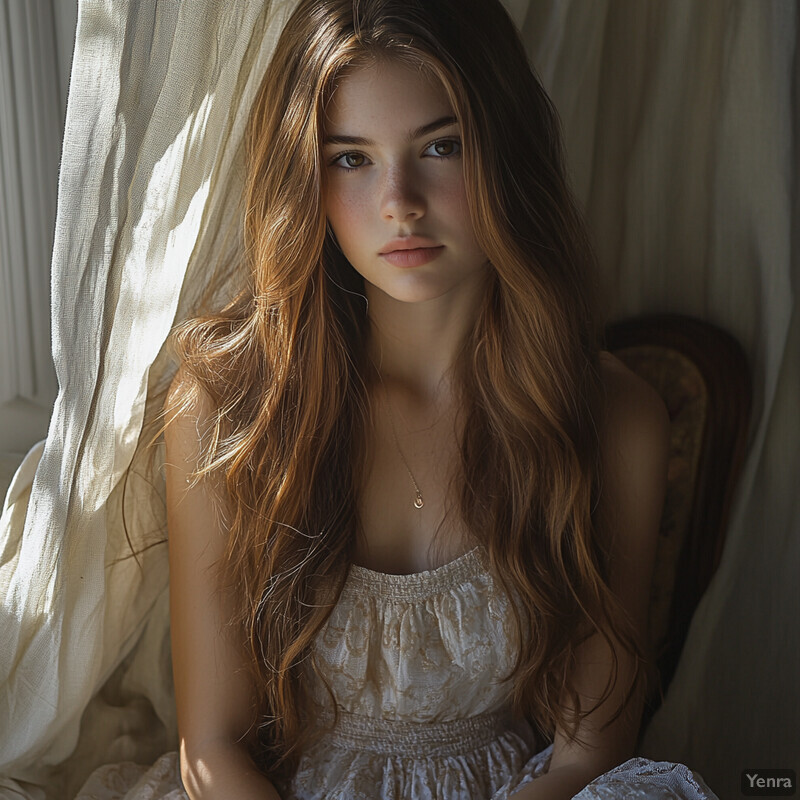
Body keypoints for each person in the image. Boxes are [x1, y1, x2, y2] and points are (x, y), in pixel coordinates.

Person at [74, 0, 720, 798]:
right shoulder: (229, 413)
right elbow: (211, 748)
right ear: (307, 172)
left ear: (506, 149)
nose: (399, 202)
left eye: (440, 146)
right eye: (352, 158)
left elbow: (590, 757)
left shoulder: (611, 418)